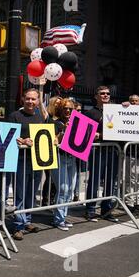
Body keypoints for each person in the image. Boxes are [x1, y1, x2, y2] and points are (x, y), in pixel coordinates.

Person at [7, 88, 45, 241]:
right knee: (20, 193)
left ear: (38, 101)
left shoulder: (41, 116)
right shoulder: (15, 116)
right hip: (20, 160)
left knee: (31, 193)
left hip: (37, 160)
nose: (30, 101)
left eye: (33, 99)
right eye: (28, 98)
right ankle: (18, 225)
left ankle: (27, 220)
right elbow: (8, 135)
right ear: (23, 99)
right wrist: (22, 140)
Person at [83, 86, 119, 223]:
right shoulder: (90, 113)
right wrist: (94, 134)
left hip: (113, 150)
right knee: (95, 180)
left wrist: (128, 106)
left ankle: (106, 210)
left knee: (110, 182)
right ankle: (90, 209)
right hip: (97, 151)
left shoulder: (117, 111)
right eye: (102, 93)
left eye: (108, 93)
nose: (105, 95)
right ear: (96, 96)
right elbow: (83, 134)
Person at [51, 98, 77, 231]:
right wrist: (63, 132)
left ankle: (62, 216)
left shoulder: (76, 123)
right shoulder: (55, 123)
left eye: (70, 109)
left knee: (70, 189)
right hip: (59, 158)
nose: (67, 110)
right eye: (65, 108)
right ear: (60, 109)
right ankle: (58, 219)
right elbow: (53, 141)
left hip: (72, 158)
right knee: (63, 189)